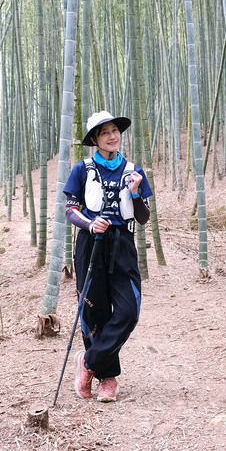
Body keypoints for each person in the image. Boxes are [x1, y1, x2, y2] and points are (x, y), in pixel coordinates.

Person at [63, 111, 152, 402]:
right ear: (94, 140)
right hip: (91, 243)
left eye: (115, 130)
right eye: (105, 133)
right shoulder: (82, 168)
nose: (112, 136)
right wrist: (89, 223)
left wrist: (136, 193)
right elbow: (70, 209)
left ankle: (89, 363)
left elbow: (143, 218)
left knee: (129, 311)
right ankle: (108, 378)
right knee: (94, 312)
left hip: (122, 244)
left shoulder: (133, 170)